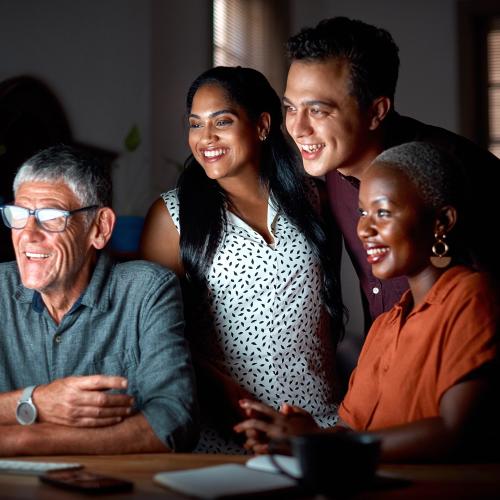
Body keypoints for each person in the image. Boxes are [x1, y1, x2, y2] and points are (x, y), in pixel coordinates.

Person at [235, 141, 500, 462]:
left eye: (383, 212)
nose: (365, 229)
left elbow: (455, 431)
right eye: (363, 212)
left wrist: (318, 445)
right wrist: (301, 434)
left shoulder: (472, 297)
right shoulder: (387, 323)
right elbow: (352, 432)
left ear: (441, 222)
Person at [282, 16, 500, 385]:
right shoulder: (329, 174)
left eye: (318, 110)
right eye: (290, 107)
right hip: (386, 385)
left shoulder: (456, 173)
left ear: (377, 111)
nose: (298, 128)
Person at [140, 66, 344, 453]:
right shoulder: (171, 217)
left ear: (263, 125)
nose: (206, 138)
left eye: (223, 121)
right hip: (230, 431)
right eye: (195, 124)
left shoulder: (313, 198)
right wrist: (233, 404)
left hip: (320, 424)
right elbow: (157, 338)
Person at [0, 144, 198, 455]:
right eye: (19, 214)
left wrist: (25, 439)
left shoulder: (146, 290)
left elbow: (175, 421)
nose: (28, 234)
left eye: (51, 217)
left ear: (100, 227)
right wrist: (35, 401)